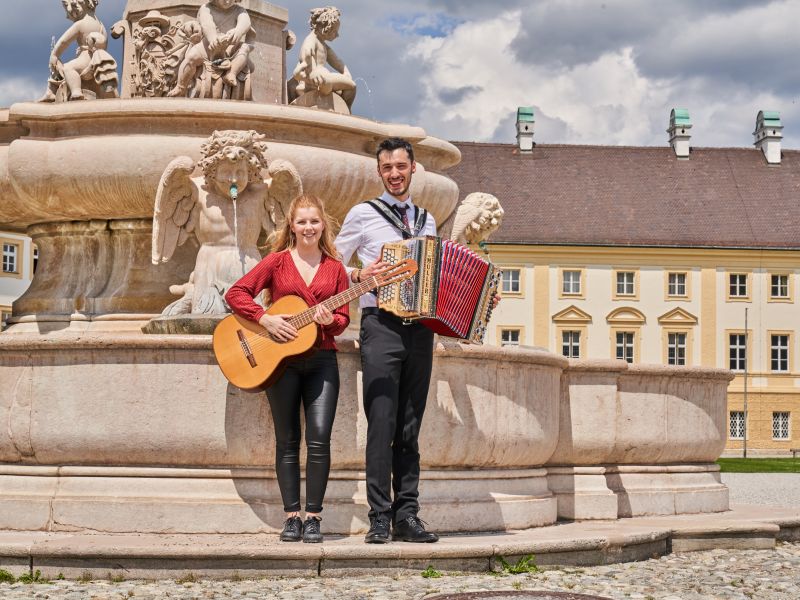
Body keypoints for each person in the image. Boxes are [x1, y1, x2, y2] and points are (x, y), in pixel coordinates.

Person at [225, 195, 349, 544]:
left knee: (320, 439)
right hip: (281, 362)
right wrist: (264, 318)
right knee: (287, 441)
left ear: (323, 224)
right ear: (291, 226)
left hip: (323, 360)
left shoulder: (336, 267)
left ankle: (314, 517)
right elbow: (237, 293)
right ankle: (291, 516)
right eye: (302, 222)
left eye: (314, 221)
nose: (308, 228)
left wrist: (329, 320)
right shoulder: (277, 262)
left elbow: (342, 321)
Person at [334, 138, 440, 543]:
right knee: (382, 421)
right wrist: (360, 275)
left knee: (411, 426)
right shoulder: (363, 214)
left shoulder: (427, 219)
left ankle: (407, 514)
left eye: (401, 166)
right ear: (379, 172)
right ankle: (380, 514)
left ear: (413, 168)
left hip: (420, 328)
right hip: (380, 323)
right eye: (387, 168)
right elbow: (331, 263)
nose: (394, 173)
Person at [287, 6, 356, 110]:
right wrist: (309, 76)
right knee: (340, 85)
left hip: (324, 79)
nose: (337, 35)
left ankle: (346, 109)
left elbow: (337, 61)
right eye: (334, 31)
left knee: (352, 87)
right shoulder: (310, 41)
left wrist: (346, 72)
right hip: (317, 81)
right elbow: (302, 65)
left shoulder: (323, 44)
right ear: (325, 28)